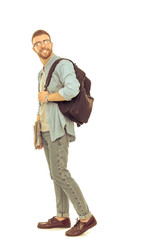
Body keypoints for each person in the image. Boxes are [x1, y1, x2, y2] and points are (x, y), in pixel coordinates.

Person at [32, 29, 97, 237]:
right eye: (38, 43)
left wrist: (48, 96)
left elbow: (73, 89)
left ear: (51, 43)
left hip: (59, 129)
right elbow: (42, 105)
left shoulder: (62, 65)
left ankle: (86, 217)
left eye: (46, 41)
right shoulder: (41, 73)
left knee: (60, 173)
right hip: (46, 130)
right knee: (55, 175)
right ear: (33, 48)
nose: (43, 45)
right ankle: (62, 216)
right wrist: (38, 132)